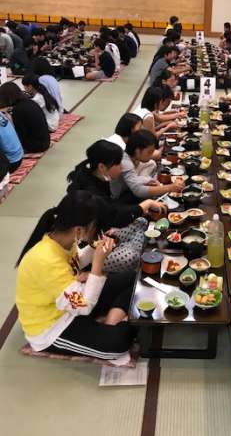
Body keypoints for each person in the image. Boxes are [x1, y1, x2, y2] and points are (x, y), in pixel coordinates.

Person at [15, 191, 137, 363]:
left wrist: (96, 248)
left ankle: (112, 320)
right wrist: (97, 264)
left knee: (133, 279)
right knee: (119, 343)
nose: (98, 232)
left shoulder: (59, 240)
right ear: (79, 230)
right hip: (52, 326)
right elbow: (83, 306)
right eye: (96, 228)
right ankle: (116, 323)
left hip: (69, 302)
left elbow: (76, 261)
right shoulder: (45, 260)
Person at [67, 140, 166, 232]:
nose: (122, 167)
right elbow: (113, 215)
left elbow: (114, 203)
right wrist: (146, 205)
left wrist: (142, 208)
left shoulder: (96, 176)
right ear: (101, 167)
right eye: (118, 164)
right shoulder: (90, 192)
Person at [111, 130, 185, 202]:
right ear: (137, 151)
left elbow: (133, 179)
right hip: (121, 198)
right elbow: (138, 191)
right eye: (149, 152)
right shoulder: (125, 162)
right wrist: (170, 187)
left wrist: (147, 181)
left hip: (128, 189)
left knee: (152, 166)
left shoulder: (132, 157)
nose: (151, 155)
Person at [0, 82, 50, 153]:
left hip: (36, 146)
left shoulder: (18, 110)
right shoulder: (30, 101)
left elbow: (20, 133)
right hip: (46, 141)